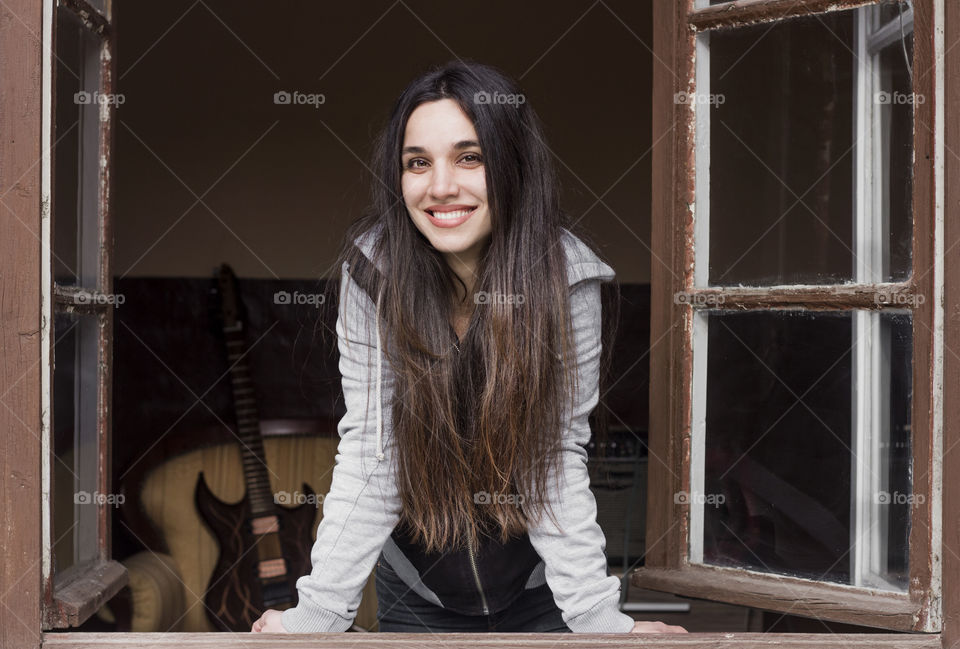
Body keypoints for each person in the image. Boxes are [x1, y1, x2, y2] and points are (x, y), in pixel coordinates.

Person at [252, 60, 686, 635]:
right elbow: (372, 454)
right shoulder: (372, 271)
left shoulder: (569, 278)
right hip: (414, 589)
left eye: (469, 157)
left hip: (540, 592)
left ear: (511, 166)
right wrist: (320, 617)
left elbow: (554, 460)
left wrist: (600, 620)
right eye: (417, 163)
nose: (440, 187)